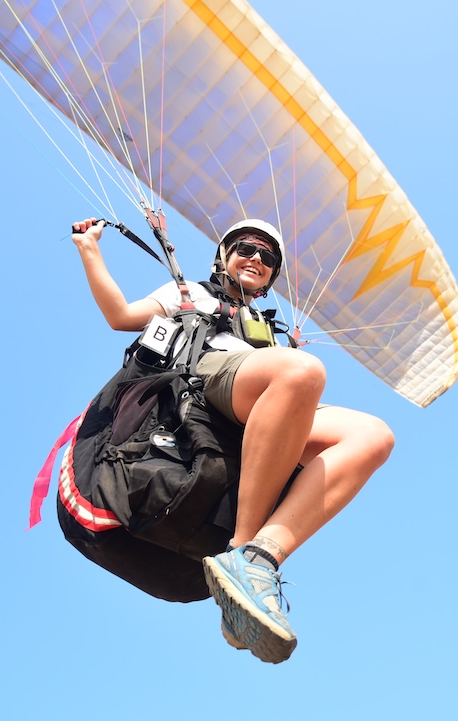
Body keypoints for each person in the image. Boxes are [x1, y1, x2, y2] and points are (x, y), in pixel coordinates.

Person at [70, 217, 394, 663]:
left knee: (373, 436)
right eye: (245, 248)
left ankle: (261, 557)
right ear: (224, 256)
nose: (257, 258)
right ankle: (242, 550)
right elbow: (120, 316)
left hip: (254, 400)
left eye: (268, 257)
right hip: (201, 381)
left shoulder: (266, 331)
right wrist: (89, 248)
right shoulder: (191, 294)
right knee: (302, 372)